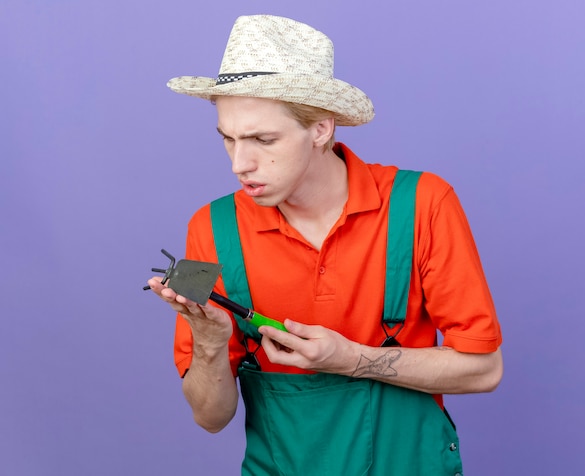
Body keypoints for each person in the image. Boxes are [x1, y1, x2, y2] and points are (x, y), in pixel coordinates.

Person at [147, 14, 503, 476]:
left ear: (321, 129)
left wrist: (353, 360)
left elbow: (484, 370)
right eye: (228, 139)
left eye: (262, 139)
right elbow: (210, 417)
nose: (240, 163)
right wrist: (211, 343)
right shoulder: (211, 228)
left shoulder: (422, 205)